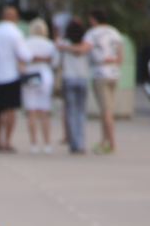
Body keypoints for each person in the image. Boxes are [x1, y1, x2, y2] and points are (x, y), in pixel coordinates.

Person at [59, 10, 123, 154]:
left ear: (94, 20)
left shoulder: (93, 33)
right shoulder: (115, 33)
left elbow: (82, 50)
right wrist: (111, 61)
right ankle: (104, 140)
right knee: (108, 110)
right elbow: (120, 58)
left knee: (106, 111)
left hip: (100, 74)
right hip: (114, 73)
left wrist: (64, 47)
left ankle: (111, 143)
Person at [0, 6, 29, 152]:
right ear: (15, 17)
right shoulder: (16, 33)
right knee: (11, 110)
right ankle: (7, 141)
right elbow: (24, 55)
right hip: (11, 75)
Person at [21, 17, 57, 153]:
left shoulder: (26, 43)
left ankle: (34, 144)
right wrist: (44, 59)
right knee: (44, 112)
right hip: (45, 75)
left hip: (30, 75)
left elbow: (24, 58)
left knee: (31, 111)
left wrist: (33, 59)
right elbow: (55, 62)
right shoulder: (49, 44)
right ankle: (47, 144)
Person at [59, 20, 90, 154]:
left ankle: (74, 143)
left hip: (69, 78)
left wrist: (65, 48)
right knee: (81, 112)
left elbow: (57, 61)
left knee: (71, 112)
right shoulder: (86, 43)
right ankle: (80, 142)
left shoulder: (64, 44)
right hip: (82, 78)